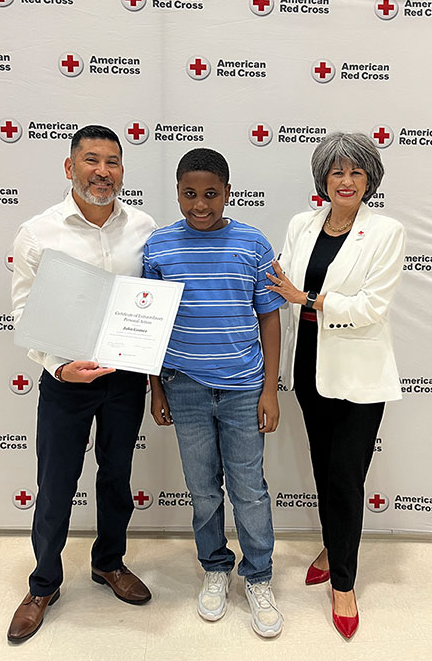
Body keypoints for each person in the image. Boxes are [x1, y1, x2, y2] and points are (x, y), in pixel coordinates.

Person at [6, 125, 157, 643]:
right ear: (69, 167)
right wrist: (57, 364)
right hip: (66, 380)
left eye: (112, 161)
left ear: (121, 170)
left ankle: (108, 563)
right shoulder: (38, 232)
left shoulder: (143, 227)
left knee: (117, 477)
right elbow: (23, 312)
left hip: (125, 378)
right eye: (91, 160)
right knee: (55, 485)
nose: (102, 170)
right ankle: (44, 582)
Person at [265, 131, 406, 640]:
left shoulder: (386, 231)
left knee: (346, 476)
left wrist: (310, 299)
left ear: (370, 179)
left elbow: (372, 306)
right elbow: (279, 280)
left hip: (359, 374)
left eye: (356, 173)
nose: (345, 181)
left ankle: (343, 583)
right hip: (310, 369)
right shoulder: (302, 224)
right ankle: (333, 542)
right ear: (322, 178)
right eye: (336, 172)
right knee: (325, 469)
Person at [144, 148, 286, 638]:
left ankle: (259, 575)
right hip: (184, 386)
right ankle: (215, 567)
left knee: (249, 489)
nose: (199, 205)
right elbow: (149, 325)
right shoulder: (159, 247)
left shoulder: (252, 243)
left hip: (245, 388)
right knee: (203, 490)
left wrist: (271, 388)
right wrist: (155, 387)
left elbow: (269, 316)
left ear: (228, 192)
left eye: (211, 194)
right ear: (177, 191)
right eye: (189, 194)